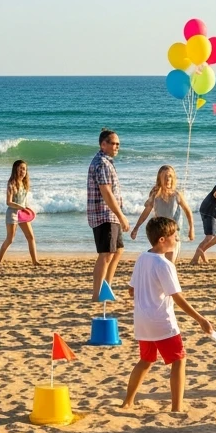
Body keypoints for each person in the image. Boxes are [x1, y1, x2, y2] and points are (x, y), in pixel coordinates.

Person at [121, 216, 213, 415]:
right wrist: (200, 319)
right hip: (162, 321)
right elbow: (177, 298)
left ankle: (127, 402)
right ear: (162, 239)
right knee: (179, 360)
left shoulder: (142, 257)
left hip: (142, 321)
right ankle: (176, 408)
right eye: (174, 235)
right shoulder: (165, 265)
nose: (177, 239)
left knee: (145, 361)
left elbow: (131, 290)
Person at [87, 128, 129, 302]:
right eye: (113, 143)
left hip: (109, 215)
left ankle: (106, 288)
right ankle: (97, 295)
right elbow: (106, 192)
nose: (117, 146)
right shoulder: (102, 163)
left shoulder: (106, 161)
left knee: (117, 250)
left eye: (118, 144)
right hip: (104, 214)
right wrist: (121, 215)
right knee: (106, 254)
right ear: (103, 144)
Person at [131, 165, 194, 263]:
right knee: (159, 261)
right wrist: (136, 228)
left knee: (170, 263)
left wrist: (191, 229)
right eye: (164, 176)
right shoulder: (155, 195)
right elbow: (146, 212)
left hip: (174, 233)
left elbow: (188, 211)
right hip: (159, 233)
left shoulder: (177, 194)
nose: (167, 179)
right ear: (159, 179)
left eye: (170, 176)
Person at [0, 159, 41, 267]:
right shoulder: (11, 183)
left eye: (24, 169)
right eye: (20, 168)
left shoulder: (25, 183)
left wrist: (28, 209)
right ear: (15, 169)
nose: (22, 171)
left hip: (23, 213)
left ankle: (35, 261)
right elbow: (9, 202)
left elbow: (24, 201)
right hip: (12, 213)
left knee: (31, 237)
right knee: (10, 239)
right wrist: (21, 207)